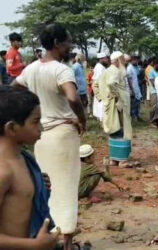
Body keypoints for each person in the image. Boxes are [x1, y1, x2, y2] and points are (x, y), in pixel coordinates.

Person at [13, 24, 86, 250]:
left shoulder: (31, 69)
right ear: (56, 43)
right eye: (68, 42)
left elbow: (14, 87)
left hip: (40, 135)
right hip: (62, 134)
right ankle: (67, 242)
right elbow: (73, 98)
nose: (71, 46)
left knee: (46, 186)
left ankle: (47, 236)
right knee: (66, 186)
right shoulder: (62, 70)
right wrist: (82, 119)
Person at [0, 85, 58, 249]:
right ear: (12, 128)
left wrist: (37, 184)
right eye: (35, 122)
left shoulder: (23, 159)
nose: (41, 128)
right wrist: (33, 245)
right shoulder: (4, 171)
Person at [97, 51, 133, 167]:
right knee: (122, 131)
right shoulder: (116, 71)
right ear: (118, 60)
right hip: (118, 107)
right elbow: (111, 83)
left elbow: (95, 85)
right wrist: (117, 98)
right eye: (123, 60)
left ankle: (113, 159)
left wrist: (102, 98)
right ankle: (122, 160)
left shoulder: (106, 71)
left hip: (110, 106)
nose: (124, 63)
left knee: (114, 130)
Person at [92, 52, 110, 122]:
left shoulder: (100, 67)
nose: (107, 60)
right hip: (100, 91)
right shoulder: (100, 68)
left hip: (101, 90)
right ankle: (102, 122)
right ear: (101, 59)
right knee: (101, 107)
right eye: (105, 59)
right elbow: (98, 82)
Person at [126, 55, 143, 122]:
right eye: (134, 60)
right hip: (132, 88)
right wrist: (131, 89)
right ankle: (133, 117)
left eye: (137, 60)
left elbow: (137, 77)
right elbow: (129, 79)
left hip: (137, 87)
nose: (136, 61)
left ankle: (137, 116)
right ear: (131, 60)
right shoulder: (129, 68)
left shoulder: (136, 67)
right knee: (133, 104)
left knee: (137, 103)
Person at [148, 58, 158, 126]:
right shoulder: (151, 72)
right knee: (153, 107)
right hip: (154, 92)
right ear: (155, 64)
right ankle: (151, 120)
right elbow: (152, 82)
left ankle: (156, 120)